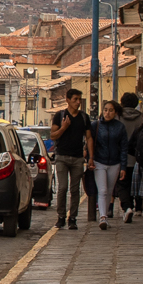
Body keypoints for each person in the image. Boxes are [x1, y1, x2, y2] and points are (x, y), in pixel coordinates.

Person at [48, 88, 94, 229]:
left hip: (78, 158)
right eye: (75, 99)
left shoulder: (84, 117)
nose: (78, 102)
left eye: (79, 99)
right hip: (62, 156)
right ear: (68, 100)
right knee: (62, 188)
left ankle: (72, 218)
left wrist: (91, 157)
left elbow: (89, 137)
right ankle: (61, 216)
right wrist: (64, 127)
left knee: (75, 190)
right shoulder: (60, 115)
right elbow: (53, 135)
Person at [90, 100, 128, 229]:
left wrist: (123, 166)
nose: (107, 113)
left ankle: (105, 215)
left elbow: (124, 148)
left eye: (111, 110)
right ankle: (103, 217)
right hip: (99, 161)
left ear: (115, 112)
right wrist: (90, 158)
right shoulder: (96, 125)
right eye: (105, 110)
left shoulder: (120, 127)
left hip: (115, 163)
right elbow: (89, 141)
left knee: (110, 191)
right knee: (103, 190)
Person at [118, 93, 143, 222]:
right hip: (138, 157)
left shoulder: (118, 117)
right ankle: (139, 208)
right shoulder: (141, 118)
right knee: (138, 182)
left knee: (123, 184)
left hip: (122, 157)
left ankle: (127, 207)